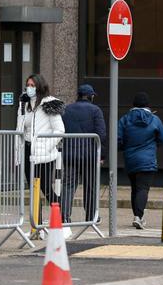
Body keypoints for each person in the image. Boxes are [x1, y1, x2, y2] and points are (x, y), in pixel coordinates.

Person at [15, 73, 65, 236]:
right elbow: (20, 128)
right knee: (33, 187)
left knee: (44, 187)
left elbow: (59, 130)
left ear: (39, 86)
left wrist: (48, 146)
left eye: (32, 85)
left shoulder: (49, 104)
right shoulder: (24, 104)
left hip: (44, 152)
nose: (29, 88)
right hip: (28, 150)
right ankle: (36, 226)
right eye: (27, 85)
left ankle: (61, 219)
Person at [118, 92, 163, 229]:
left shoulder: (125, 119)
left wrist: (126, 148)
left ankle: (137, 216)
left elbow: (118, 139)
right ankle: (138, 217)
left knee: (135, 188)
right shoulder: (154, 119)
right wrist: (152, 145)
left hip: (130, 159)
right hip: (147, 159)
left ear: (133, 105)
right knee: (143, 188)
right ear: (148, 105)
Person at [61, 84, 106, 227]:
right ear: (90, 96)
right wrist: (102, 155)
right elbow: (101, 134)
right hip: (89, 155)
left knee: (68, 185)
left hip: (70, 154)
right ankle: (91, 217)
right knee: (90, 186)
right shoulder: (95, 110)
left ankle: (64, 217)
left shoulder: (66, 110)